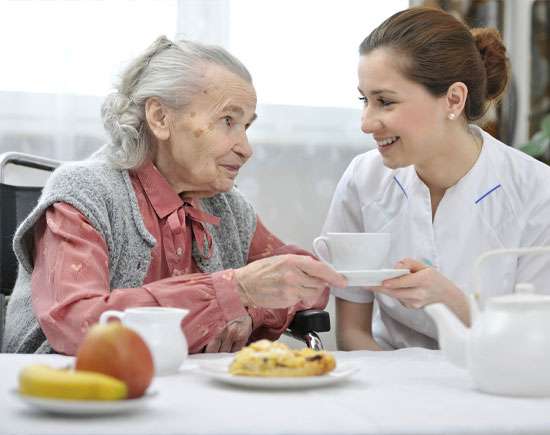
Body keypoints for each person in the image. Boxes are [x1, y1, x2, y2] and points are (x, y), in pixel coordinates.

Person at [3, 35, 346, 355]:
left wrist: (251, 309)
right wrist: (233, 291)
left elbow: (309, 280)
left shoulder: (226, 206)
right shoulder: (85, 192)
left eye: (247, 126)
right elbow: (78, 322)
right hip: (67, 392)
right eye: (228, 120)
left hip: (182, 395)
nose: (245, 149)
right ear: (160, 117)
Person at [322, 7, 550, 351]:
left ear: (453, 99)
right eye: (364, 100)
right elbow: (354, 334)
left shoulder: (536, 191)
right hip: (387, 379)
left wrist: (450, 300)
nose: (366, 123)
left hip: (494, 380)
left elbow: (534, 344)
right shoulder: (363, 178)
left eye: (385, 102)